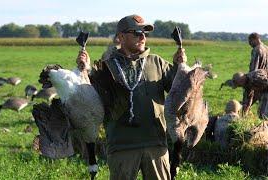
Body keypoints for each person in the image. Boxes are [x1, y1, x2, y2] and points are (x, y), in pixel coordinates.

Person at [76, 14, 187, 180]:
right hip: (121, 146)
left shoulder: (157, 62)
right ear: (121, 37)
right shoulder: (107, 66)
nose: (143, 37)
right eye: (137, 33)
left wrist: (180, 68)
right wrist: (84, 70)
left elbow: (180, 94)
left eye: (145, 33)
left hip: (155, 145)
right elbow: (90, 100)